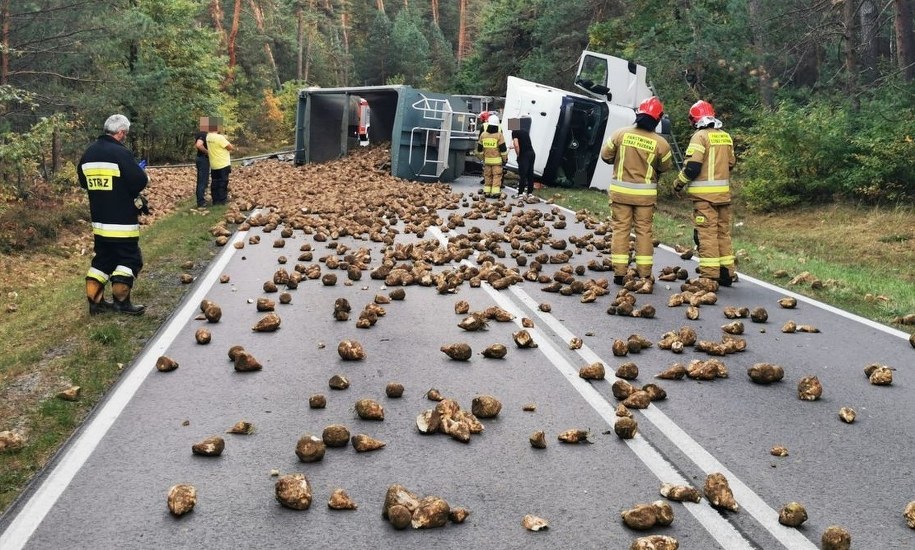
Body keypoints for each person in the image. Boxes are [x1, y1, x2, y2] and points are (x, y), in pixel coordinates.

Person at [77, 114, 149, 315]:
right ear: (121, 133)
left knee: (103, 260)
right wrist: (143, 174)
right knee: (129, 259)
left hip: (99, 221)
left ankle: (96, 303)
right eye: (125, 134)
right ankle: (122, 302)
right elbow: (138, 181)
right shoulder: (120, 153)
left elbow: (84, 182)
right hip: (122, 221)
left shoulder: (89, 153)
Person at [599, 96, 673, 289]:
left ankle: (619, 272)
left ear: (638, 114)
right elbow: (665, 167)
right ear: (658, 119)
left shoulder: (619, 134)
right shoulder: (661, 144)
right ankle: (645, 273)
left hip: (620, 194)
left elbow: (605, 156)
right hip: (645, 197)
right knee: (644, 232)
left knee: (621, 230)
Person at [674, 100, 737, 286]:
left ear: (695, 120)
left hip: (704, 198)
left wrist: (678, 184)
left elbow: (692, 167)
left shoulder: (699, 137)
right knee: (722, 233)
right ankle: (726, 273)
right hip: (723, 196)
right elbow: (731, 163)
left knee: (707, 235)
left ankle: (710, 276)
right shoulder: (725, 136)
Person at [476, 114, 508, 198]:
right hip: (497, 161)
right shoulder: (499, 135)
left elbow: (479, 149)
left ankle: (486, 192)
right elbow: (503, 150)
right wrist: (505, 159)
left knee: (487, 176)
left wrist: (482, 158)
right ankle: (495, 193)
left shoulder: (483, 135)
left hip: (487, 160)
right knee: (496, 176)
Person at [206, 118, 234, 205]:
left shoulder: (208, 137)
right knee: (223, 183)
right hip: (223, 163)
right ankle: (222, 201)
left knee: (214, 183)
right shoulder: (220, 138)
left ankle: (215, 200)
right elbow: (230, 147)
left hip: (214, 164)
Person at [512, 116, 536, 198]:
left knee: (523, 174)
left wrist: (518, 154)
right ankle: (530, 193)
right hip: (531, 153)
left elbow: (516, 144)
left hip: (524, 154)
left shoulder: (514, 131)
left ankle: (520, 193)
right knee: (530, 173)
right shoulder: (524, 131)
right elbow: (524, 143)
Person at [194, 117, 210, 207]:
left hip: (200, 158)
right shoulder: (203, 134)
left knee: (203, 179)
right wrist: (207, 152)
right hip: (203, 159)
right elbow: (199, 145)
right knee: (202, 180)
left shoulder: (200, 133)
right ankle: (201, 201)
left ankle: (202, 199)